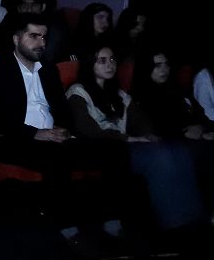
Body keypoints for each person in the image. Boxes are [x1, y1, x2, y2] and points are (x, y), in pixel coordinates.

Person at [0, 14, 142, 257]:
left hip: (54, 139)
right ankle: (68, 230)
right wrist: (37, 134)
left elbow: (63, 110)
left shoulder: (48, 70)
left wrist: (64, 130)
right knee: (56, 156)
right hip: (15, 140)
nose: (41, 42)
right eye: (33, 36)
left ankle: (113, 222)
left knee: (114, 149)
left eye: (43, 37)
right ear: (16, 39)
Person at [66, 44, 207, 234]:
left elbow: (140, 119)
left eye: (112, 60)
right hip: (102, 147)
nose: (110, 65)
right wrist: (128, 138)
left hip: (124, 144)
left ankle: (194, 217)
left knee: (177, 150)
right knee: (160, 157)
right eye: (102, 61)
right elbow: (86, 129)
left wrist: (148, 134)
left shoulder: (119, 94)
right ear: (90, 64)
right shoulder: (78, 91)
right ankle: (175, 222)